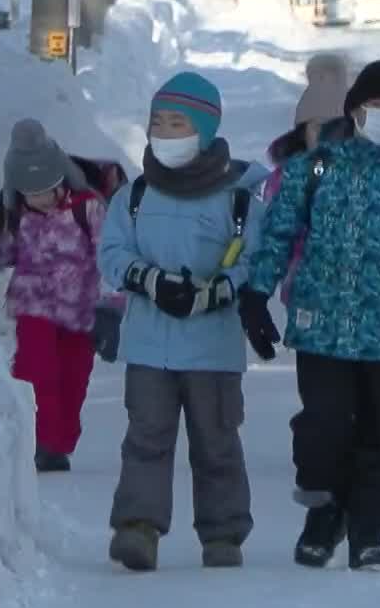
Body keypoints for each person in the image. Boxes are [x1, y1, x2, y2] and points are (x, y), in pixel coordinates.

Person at [250, 59, 380, 573]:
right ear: (354, 109)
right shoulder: (314, 169)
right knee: (321, 429)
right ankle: (324, 515)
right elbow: (277, 235)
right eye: (376, 106)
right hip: (323, 329)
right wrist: (255, 295)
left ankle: (368, 530)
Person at [97, 71, 276, 572]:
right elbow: (111, 252)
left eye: (178, 123)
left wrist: (217, 289)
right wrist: (148, 280)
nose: (165, 132)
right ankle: (138, 528)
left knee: (216, 441)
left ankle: (223, 535)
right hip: (150, 346)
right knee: (145, 438)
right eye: (158, 121)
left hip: (212, 348)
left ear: (204, 130)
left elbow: (256, 259)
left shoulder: (238, 199)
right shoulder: (134, 195)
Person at [0, 119, 122, 473]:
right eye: (30, 193)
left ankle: (60, 443)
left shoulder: (88, 208)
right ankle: (39, 442)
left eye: (47, 190)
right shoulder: (18, 213)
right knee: (35, 372)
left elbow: (111, 256)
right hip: (33, 307)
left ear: (61, 182)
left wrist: (113, 305)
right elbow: (2, 254)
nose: (39, 199)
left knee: (73, 379)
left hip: (80, 313)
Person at [259, 53, 352, 305]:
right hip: (306, 299)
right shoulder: (286, 179)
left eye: (336, 128)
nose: (325, 136)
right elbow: (273, 237)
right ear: (302, 131)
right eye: (316, 127)